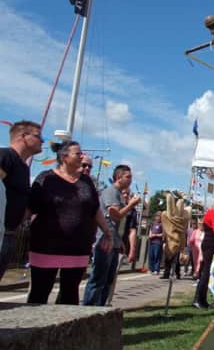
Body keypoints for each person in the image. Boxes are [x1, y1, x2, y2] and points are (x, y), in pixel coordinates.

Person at [26, 141, 113, 304]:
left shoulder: (86, 183)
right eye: (78, 154)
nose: (82, 156)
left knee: (70, 293)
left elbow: (95, 210)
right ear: (64, 157)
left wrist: (107, 233)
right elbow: (30, 207)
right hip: (46, 246)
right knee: (40, 291)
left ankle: (66, 329)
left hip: (77, 247)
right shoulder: (46, 178)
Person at [83, 165, 140, 306]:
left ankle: (101, 308)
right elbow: (115, 215)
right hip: (104, 241)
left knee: (108, 279)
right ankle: (88, 308)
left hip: (114, 242)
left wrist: (120, 240)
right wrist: (131, 204)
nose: (130, 180)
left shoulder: (119, 194)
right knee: (98, 278)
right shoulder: (111, 192)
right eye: (128, 177)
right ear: (119, 177)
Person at [0, 120, 43, 281]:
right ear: (23, 136)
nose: (42, 141)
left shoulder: (24, 168)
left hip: (10, 233)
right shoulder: (5, 156)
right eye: (39, 137)